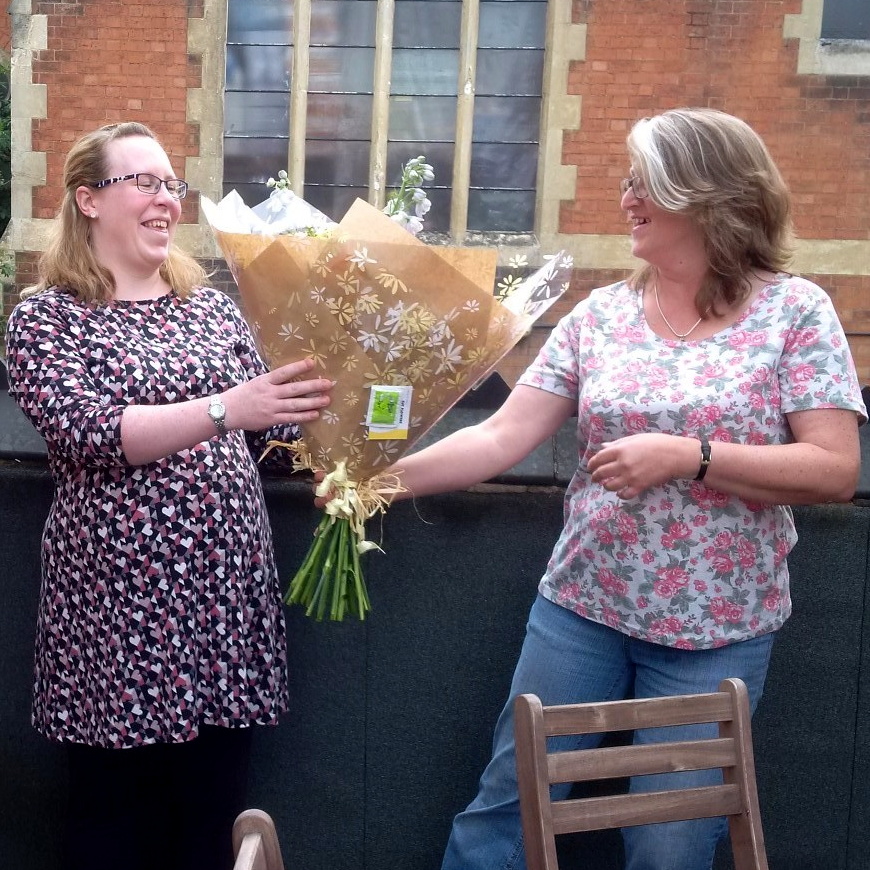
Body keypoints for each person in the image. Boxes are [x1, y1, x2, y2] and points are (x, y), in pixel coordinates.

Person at [372, 108, 867, 869]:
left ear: (706, 193)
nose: (626, 198)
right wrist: (372, 484)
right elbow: (501, 436)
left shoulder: (795, 313)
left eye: (645, 183)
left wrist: (688, 455)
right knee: (508, 809)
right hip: (584, 609)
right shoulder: (598, 317)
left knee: (670, 846)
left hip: (717, 630)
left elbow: (834, 468)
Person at [4, 122, 334, 870]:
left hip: (222, 602)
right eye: (144, 183)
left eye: (171, 186)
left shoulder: (211, 308)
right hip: (118, 611)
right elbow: (88, 431)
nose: (165, 200)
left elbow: (266, 431)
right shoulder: (47, 318)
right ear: (88, 199)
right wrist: (226, 409)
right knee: (112, 820)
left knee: (211, 816)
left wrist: (337, 442)